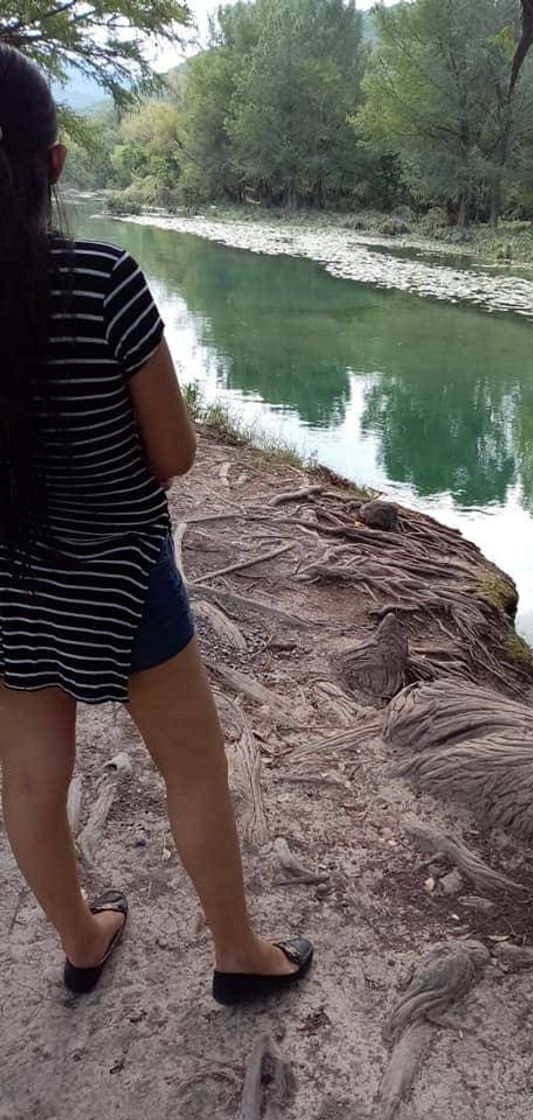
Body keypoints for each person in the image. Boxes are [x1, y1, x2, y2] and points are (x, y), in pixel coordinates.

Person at [0, 45, 313, 1004]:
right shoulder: (105, 282)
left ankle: (83, 941)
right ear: (53, 164)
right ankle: (237, 953)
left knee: (28, 778)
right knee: (194, 767)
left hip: (10, 579)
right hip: (127, 577)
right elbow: (175, 454)